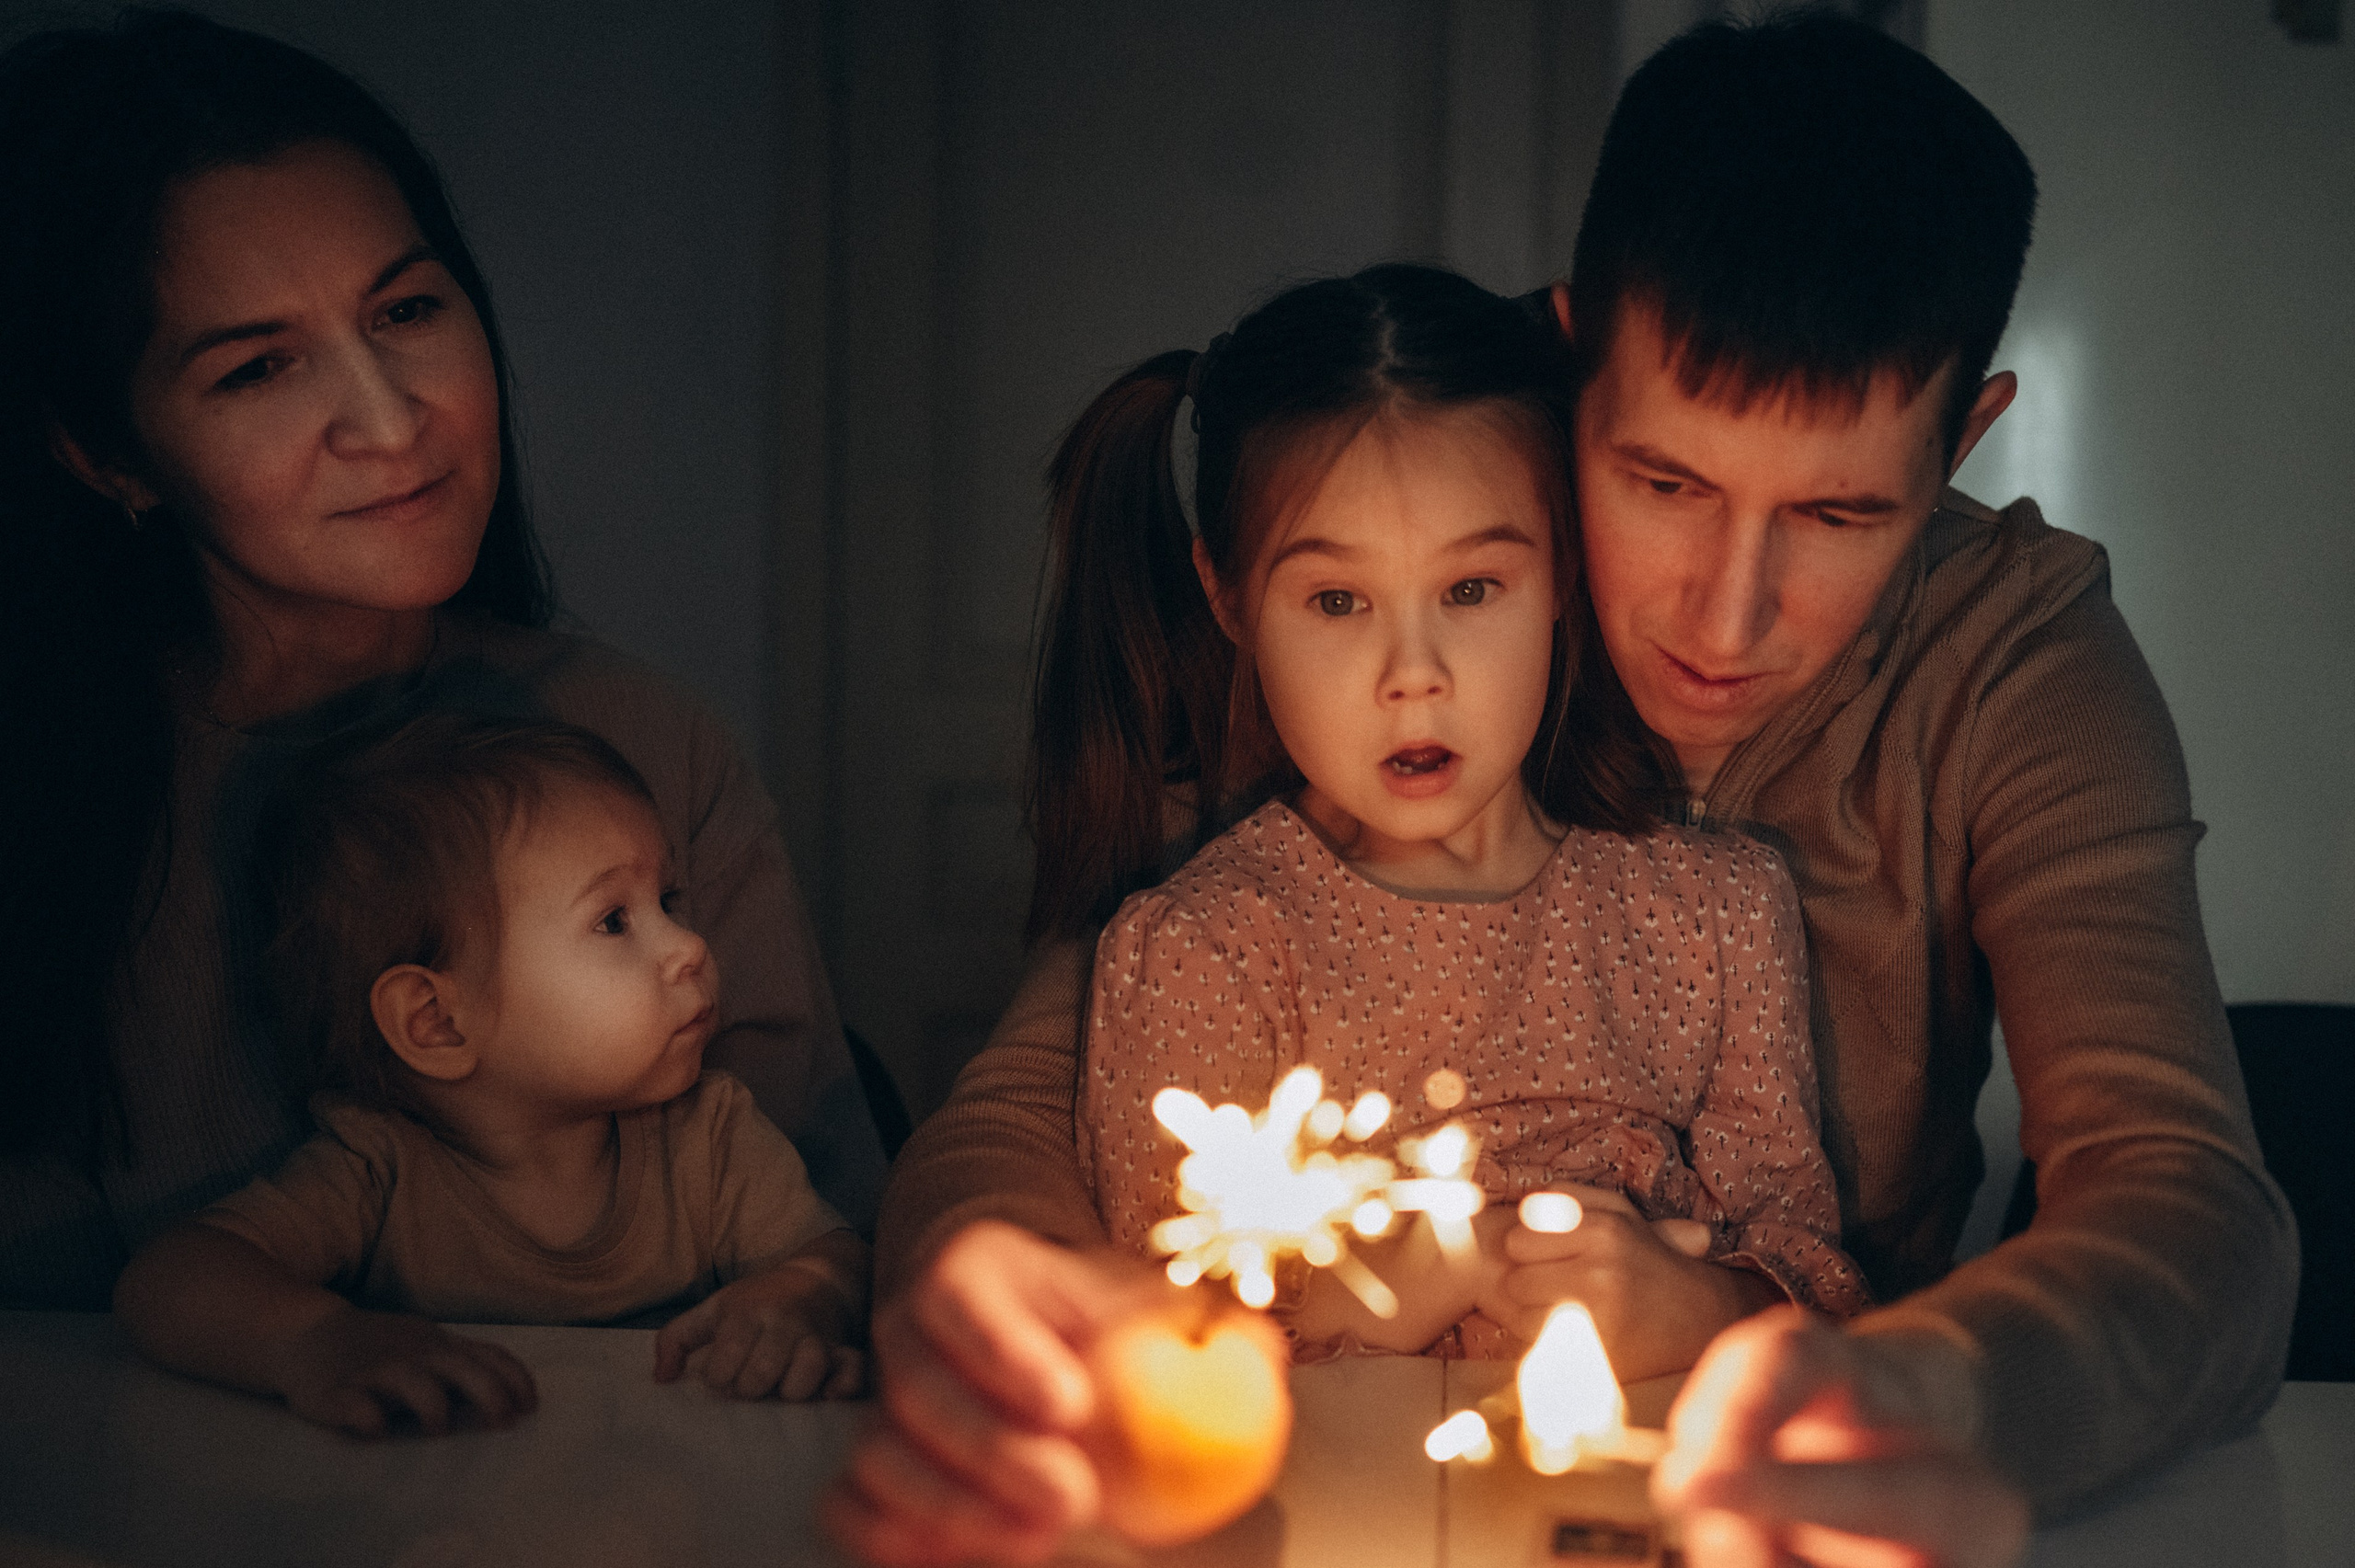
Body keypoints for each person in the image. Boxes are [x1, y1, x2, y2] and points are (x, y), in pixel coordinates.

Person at [833, 15, 2293, 1568]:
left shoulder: (2024, 662)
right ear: (1568, 347)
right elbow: (1029, 1098)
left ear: (1963, 445)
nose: (1726, 620)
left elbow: (2189, 1201)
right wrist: (1019, 1330)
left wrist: (1904, 1391)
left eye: (1842, 513)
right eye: (1664, 485)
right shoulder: (1411, 579)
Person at [0, 11, 886, 1311]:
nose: (390, 418)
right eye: (257, 370)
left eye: (407, 309)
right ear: (107, 456)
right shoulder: (50, 801)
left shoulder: (640, 734)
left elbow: (818, 1208)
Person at [1052, 263, 1867, 1370]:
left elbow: (1817, 1278)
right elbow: (1164, 1356)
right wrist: (1431, 1271)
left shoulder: (1712, 915)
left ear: (1564, 574)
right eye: (1338, 602)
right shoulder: (1206, 951)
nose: (1414, 674)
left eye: (1471, 590)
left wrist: (1702, 1306)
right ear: (1229, 596)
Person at [113, 716, 868, 1433]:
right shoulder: (380, 1170)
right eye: (614, 919)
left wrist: (798, 1299)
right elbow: (167, 1279)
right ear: (437, 1022)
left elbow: (842, 1255)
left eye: (667, 900)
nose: (690, 946)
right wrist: (315, 1340)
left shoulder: (708, 1135)